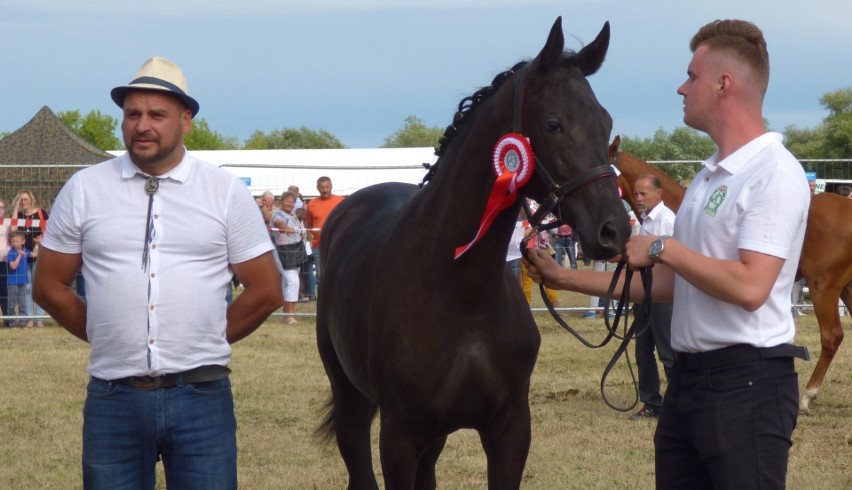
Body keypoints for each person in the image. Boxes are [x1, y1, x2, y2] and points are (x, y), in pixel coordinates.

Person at [525, 20, 810, 488]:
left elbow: (751, 286)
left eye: (692, 76)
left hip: (748, 386)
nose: (681, 87)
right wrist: (566, 279)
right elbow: (672, 284)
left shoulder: (772, 173)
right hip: (691, 383)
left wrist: (662, 247)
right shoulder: (707, 178)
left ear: (724, 85)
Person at [33, 56, 283, 488]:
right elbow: (49, 285)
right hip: (113, 398)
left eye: (157, 115)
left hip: (202, 396)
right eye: (132, 114)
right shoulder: (85, 188)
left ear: (186, 121)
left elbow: (265, 290)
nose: (142, 125)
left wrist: (201, 339)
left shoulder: (222, 192)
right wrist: (105, 332)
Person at [629, 174, 676, 420]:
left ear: (659, 194)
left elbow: (668, 258)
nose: (638, 198)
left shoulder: (667, 221)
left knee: (667, 349)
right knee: (643, 350)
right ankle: (651, 402)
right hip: (645, 292)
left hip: (661, 294)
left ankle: (679, 402)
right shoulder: (646, 221)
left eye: (644, 194)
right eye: (636, 194)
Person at [12, 189, 48, 327]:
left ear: (31, 200)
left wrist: (41, 242)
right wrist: (15, 207)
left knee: (39, 288)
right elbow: (14, 229)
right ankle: (29, 318)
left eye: (25, 199)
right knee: (27, 288)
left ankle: (39, 318)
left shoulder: (41, 213)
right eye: (20, 199)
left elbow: (50, 230)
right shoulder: (19, 215)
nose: (23, 202)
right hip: (24, 258)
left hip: (40, 256)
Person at [271, 191, 306, 324]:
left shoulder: (294, 216)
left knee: (288, 283)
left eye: (292, 201)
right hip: (283, 252)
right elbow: (280, 223)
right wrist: (286, 228)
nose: (289, 204)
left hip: (296, 251)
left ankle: (286, 315)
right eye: (287, 201)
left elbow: (301, 231)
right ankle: (290, 316)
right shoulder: (278, 214)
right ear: (282, 201)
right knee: (293, 282)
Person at [305, 176, 344, 290]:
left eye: (327, 187)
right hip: (319, 245)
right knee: (321, 274)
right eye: (322, 188)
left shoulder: (341, 201)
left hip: (338, 244)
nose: (325, 190)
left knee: (338, 271)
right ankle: (322, 299)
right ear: (317, 188)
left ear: (331, 187)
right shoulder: (312, 204)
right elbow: (309, 225)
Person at [8, 231, 35, 327]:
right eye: (13, 241)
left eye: (17, 241)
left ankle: (23, 323)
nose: (15, 243)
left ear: (23, 241)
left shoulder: (25, 250)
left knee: (22, 304)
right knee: (11, 304)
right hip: (12, 282)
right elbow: (13, 267)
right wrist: (19, 255)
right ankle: (12, 323)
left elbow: (35, 255)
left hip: (23, 282)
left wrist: (37, 244)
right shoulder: (11, 253)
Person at [294, 207, 315, 301]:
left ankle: (302, 295)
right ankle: (311, 294)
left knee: (301, 274)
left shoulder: (300, 225)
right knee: (308, 273)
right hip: (309, 252)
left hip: (302, 252)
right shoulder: (307, 226)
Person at [0, 199, 10, 327]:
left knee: (4, 292)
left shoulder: (8, 223)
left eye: (1, 207)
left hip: (4, 262)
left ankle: (7, 319)